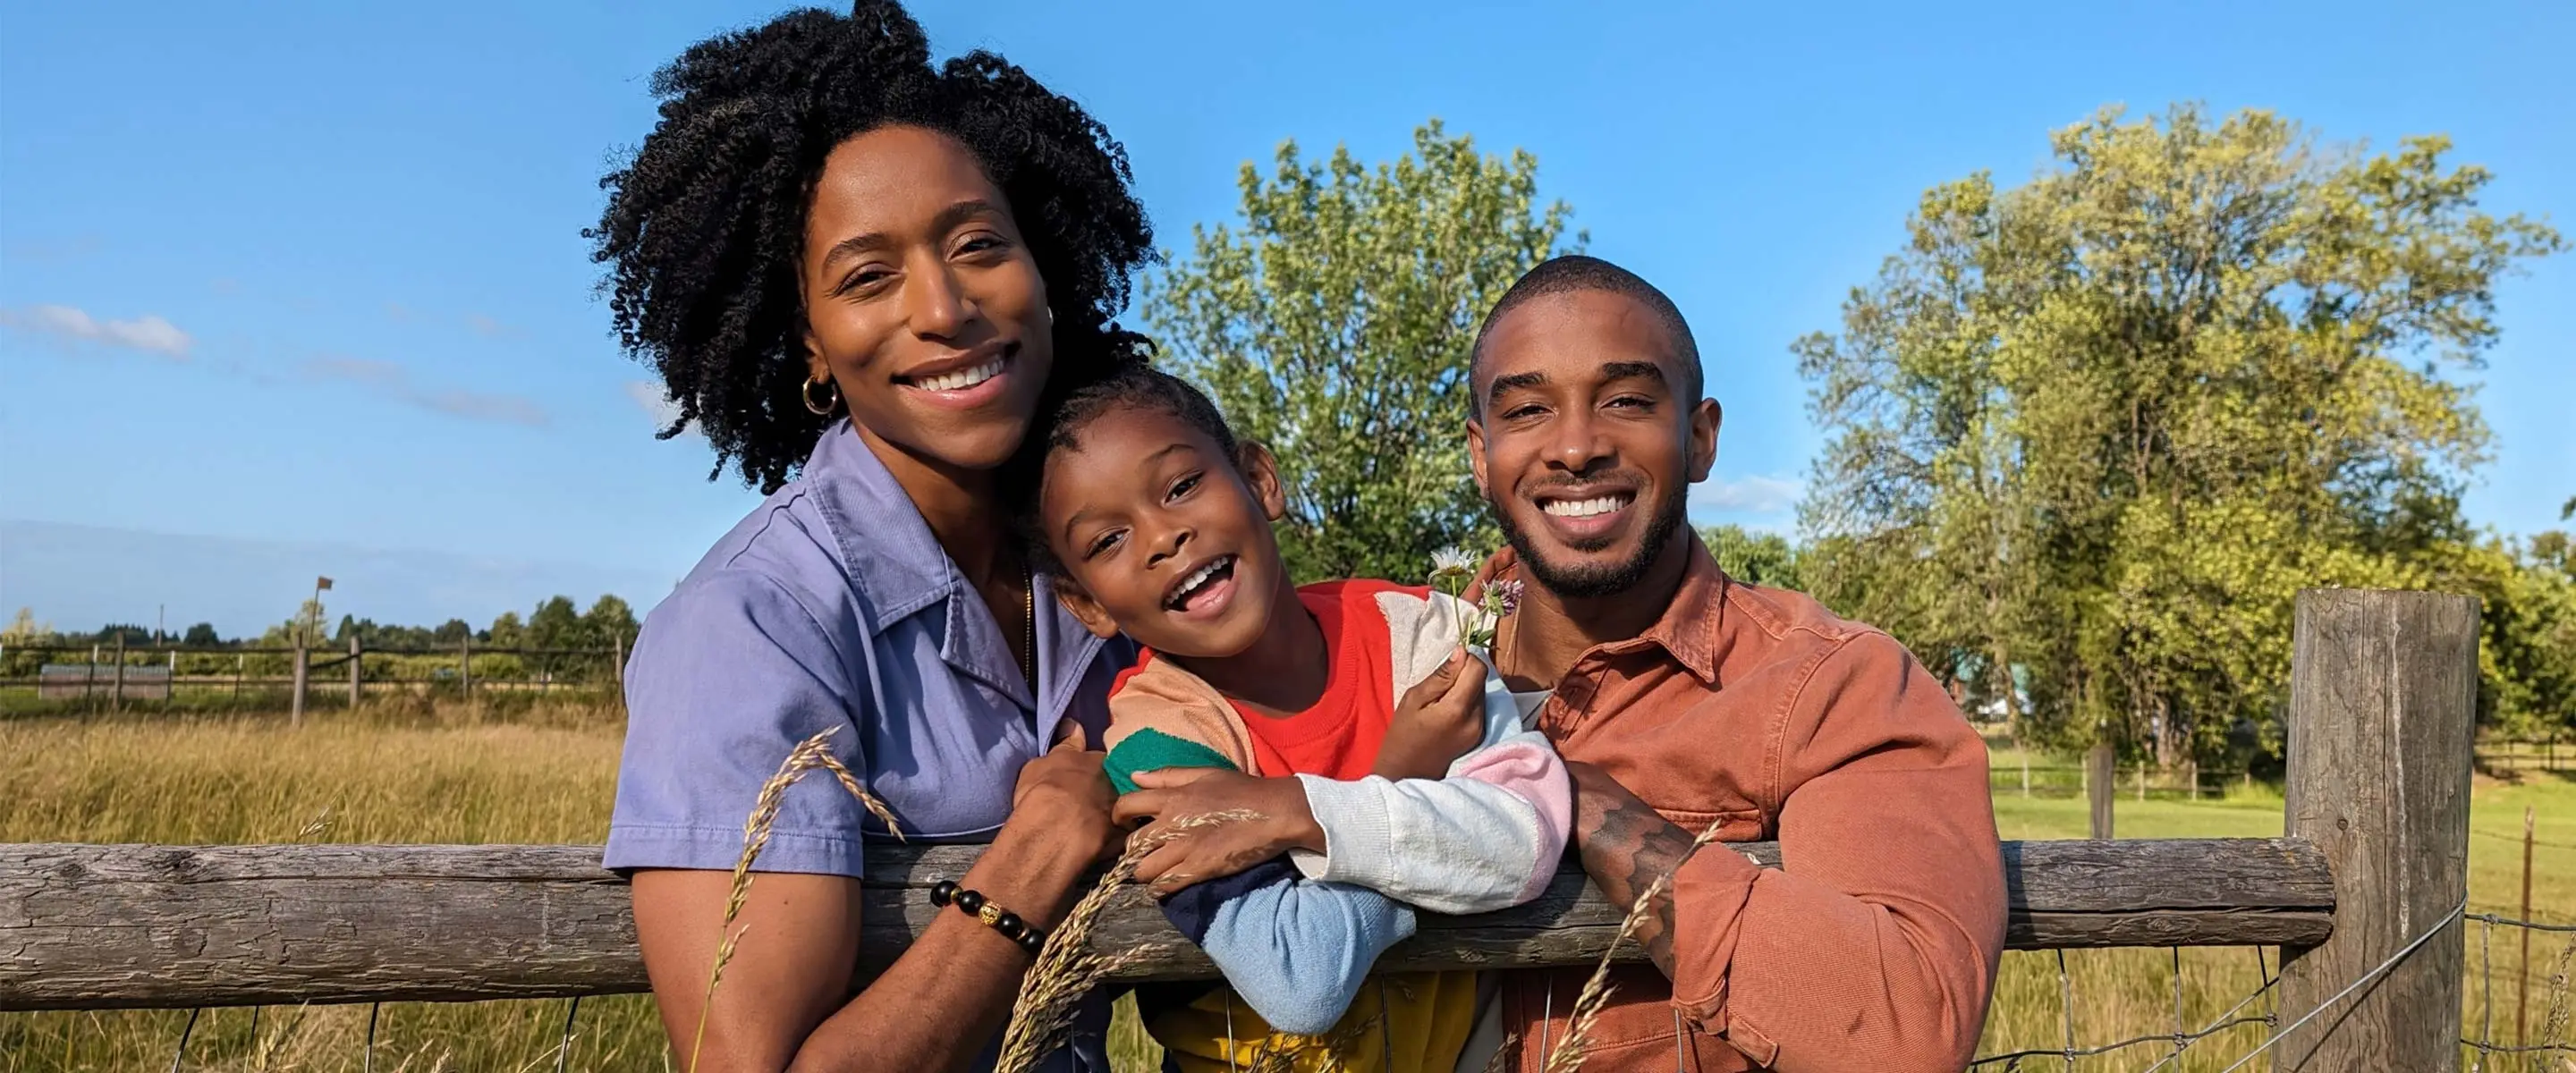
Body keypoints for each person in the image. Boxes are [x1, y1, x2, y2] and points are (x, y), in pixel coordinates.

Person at [1135, 255, 2008, 1072]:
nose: (1577, 446)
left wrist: (1583, 804)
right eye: (1527, 411)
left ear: (1700, 438)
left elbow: (1909, 1025)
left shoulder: (1831, 688)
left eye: (1626, 400)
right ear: (1482, 455)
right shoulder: (1384, 660)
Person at [590, 4, 1157, 1070]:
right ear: (808, 339)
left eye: (978, 245)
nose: (943, 307)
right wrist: (1031, 859)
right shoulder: (752, 626)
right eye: (867, 276)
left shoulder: (1111, 570)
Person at [1013, 364, 1572, 1072]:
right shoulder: (1155, 746)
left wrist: (1291, 814)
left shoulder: (1421, 636)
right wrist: (1408, 773)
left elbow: (1521, 843)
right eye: (1107, 540)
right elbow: (1300, 975)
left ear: (1259, 481)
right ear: (1087, 604)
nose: (1162, 537)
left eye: (1182, 486)